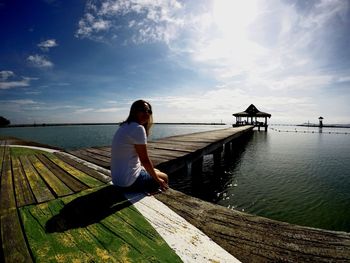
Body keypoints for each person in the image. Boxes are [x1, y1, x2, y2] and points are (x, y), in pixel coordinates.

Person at [111, 99, 169, 193]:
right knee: (164, 177)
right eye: (142, 110)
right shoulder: (138, 128)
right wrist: (159, 180)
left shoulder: (124, 126)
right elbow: (145, 160)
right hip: (128, 182)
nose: (146, 113)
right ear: (134, 111)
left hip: (117, 180)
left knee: (156, 170)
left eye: (149, 111)